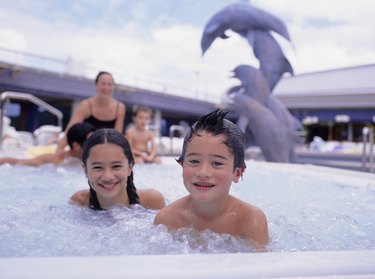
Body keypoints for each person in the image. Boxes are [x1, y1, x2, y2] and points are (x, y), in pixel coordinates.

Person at [154, 109, 269, 250]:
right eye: (194, 161)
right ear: (182, 165)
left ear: (237, 173)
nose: (203, 172)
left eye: (217, 163)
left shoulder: (251, 221)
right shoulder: (166, 219)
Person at [70, 128, 165, 210]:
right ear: (85, 170)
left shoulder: (151, 202)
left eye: (116, 166)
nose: (107, 176)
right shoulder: (79, 202)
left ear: (130, 167)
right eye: (97, 167)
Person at [55, 71, 126, 152]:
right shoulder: (86, 105)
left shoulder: (119, 107)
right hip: (84, 150)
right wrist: (59, 150)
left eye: (109, 84)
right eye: (103, 84)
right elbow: (71, 130)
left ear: (113, 87)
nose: (106, 87)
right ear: (96, 86)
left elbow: (118, 137)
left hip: (106, 150)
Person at [0, 122, 95, 167]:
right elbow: (17, 162)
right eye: (91, 142)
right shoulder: (56, 160)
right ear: (76, 146)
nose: (96, 145)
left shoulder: (97, 159)